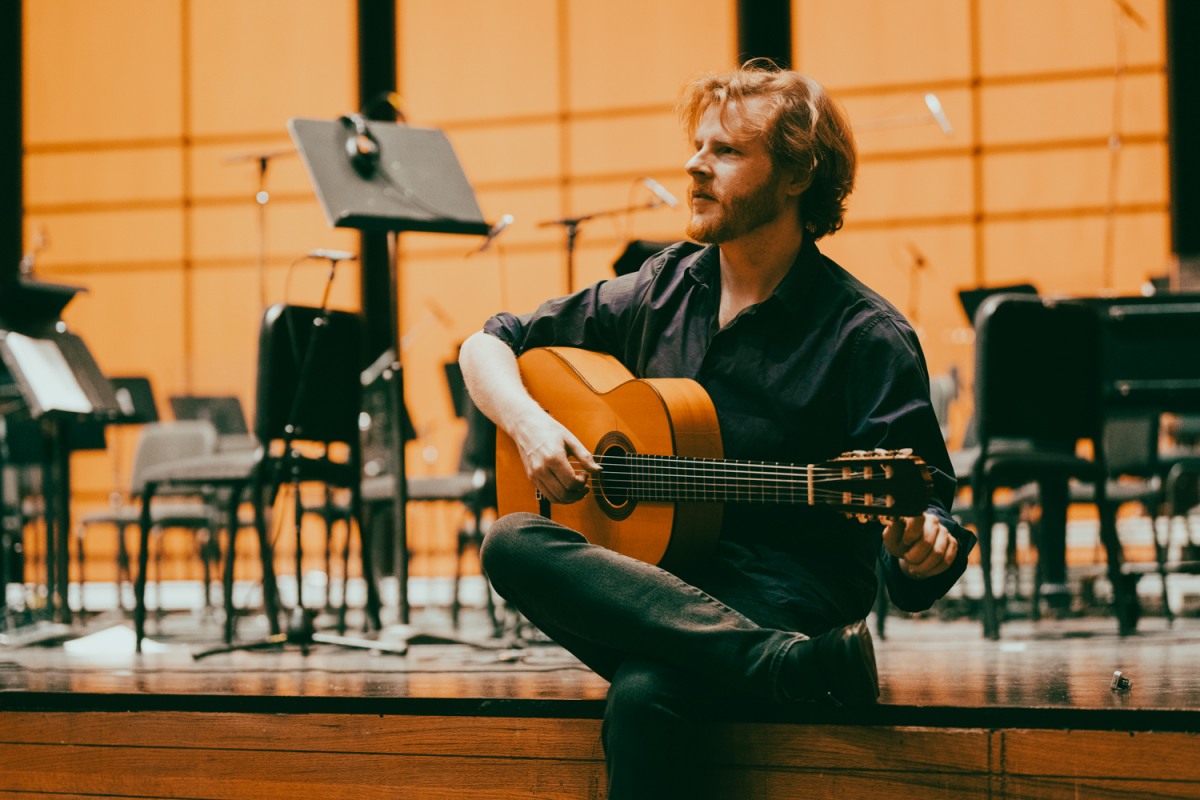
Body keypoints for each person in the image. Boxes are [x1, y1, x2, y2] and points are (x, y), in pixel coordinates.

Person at [458, 60, 976, 799]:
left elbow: (922, 509)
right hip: (660, 581)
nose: (695, 167)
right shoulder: (663, 285)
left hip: (789, 590)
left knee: (644, 696)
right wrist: (530, 424)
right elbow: (489, 342)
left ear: (798, 176)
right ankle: (786, 668)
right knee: (512, 540)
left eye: (727, 152)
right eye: (698, 147)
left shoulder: (867, 336)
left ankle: (777, 652)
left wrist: (920, 548)